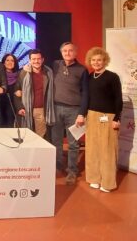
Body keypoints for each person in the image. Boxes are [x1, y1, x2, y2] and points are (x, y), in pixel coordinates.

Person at [77, 47, 122, 192]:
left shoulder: (112, 77)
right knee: (92, 149)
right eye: (93, 60)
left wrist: (117, 118)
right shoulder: (90, 77)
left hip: (108, 117)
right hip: (91, 116)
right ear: (89, 61)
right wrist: (83, 115)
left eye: (99, 60)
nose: (96, 62)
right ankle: (94, 178)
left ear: (105, 61)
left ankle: (107, 182)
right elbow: (87, 98)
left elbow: (118, 99)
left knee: (107, 150)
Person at [51, 42, 88, 185]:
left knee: (73, 144)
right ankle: (57, 166)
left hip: (74, 111)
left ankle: (72, 171)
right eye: (65, 51)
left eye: (70, 50)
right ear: (61, 53)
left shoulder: (82, 70)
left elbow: (85, 93)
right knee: (56, 141)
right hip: (55, 108)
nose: (67, 53)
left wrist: (82, 114)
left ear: (75, 52)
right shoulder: (55, 65)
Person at [14, 49, 55, 138]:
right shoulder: (23, 73)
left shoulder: (49, 73)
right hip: (26, 109)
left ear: (42, 60)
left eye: (38, 59)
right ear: (30, 60)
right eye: (33, 59)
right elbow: (16, 91)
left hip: (41, 109)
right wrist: (20, 107)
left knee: (40, 137)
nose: (36, 61)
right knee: (27, 137)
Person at [0, 53, 20, 128]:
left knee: (10, 127)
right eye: (7, 60)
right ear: (3, 62)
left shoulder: (19, 75)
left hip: (12, 106)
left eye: (12, 60)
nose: (10, 62)